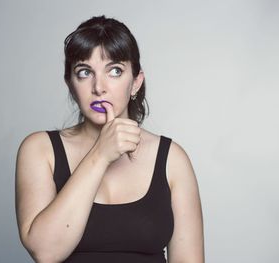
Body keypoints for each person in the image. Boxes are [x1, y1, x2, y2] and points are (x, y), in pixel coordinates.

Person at [15, 15, 204, 263]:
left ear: (136, 82)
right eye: (84, 72)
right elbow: (45, 252)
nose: (99, 87)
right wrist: (101, 154)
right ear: (70, 84)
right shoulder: (40, 150)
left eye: (115, 71)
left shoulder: (171, 159)